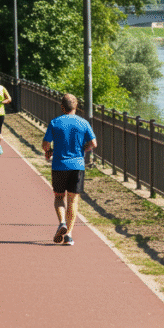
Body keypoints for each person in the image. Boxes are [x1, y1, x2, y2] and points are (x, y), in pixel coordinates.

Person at [41, 93, 97, 246]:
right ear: (76, 106)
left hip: (59, 166)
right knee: (73, 200)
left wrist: (50, 151)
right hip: (77, 166)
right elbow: (93, 143)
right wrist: (83, 149)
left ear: (62, 107)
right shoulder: (83, 123)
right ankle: (69, 235)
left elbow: (45, 145)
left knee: (59, 197)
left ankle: (62, 223)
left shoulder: (55, 122)